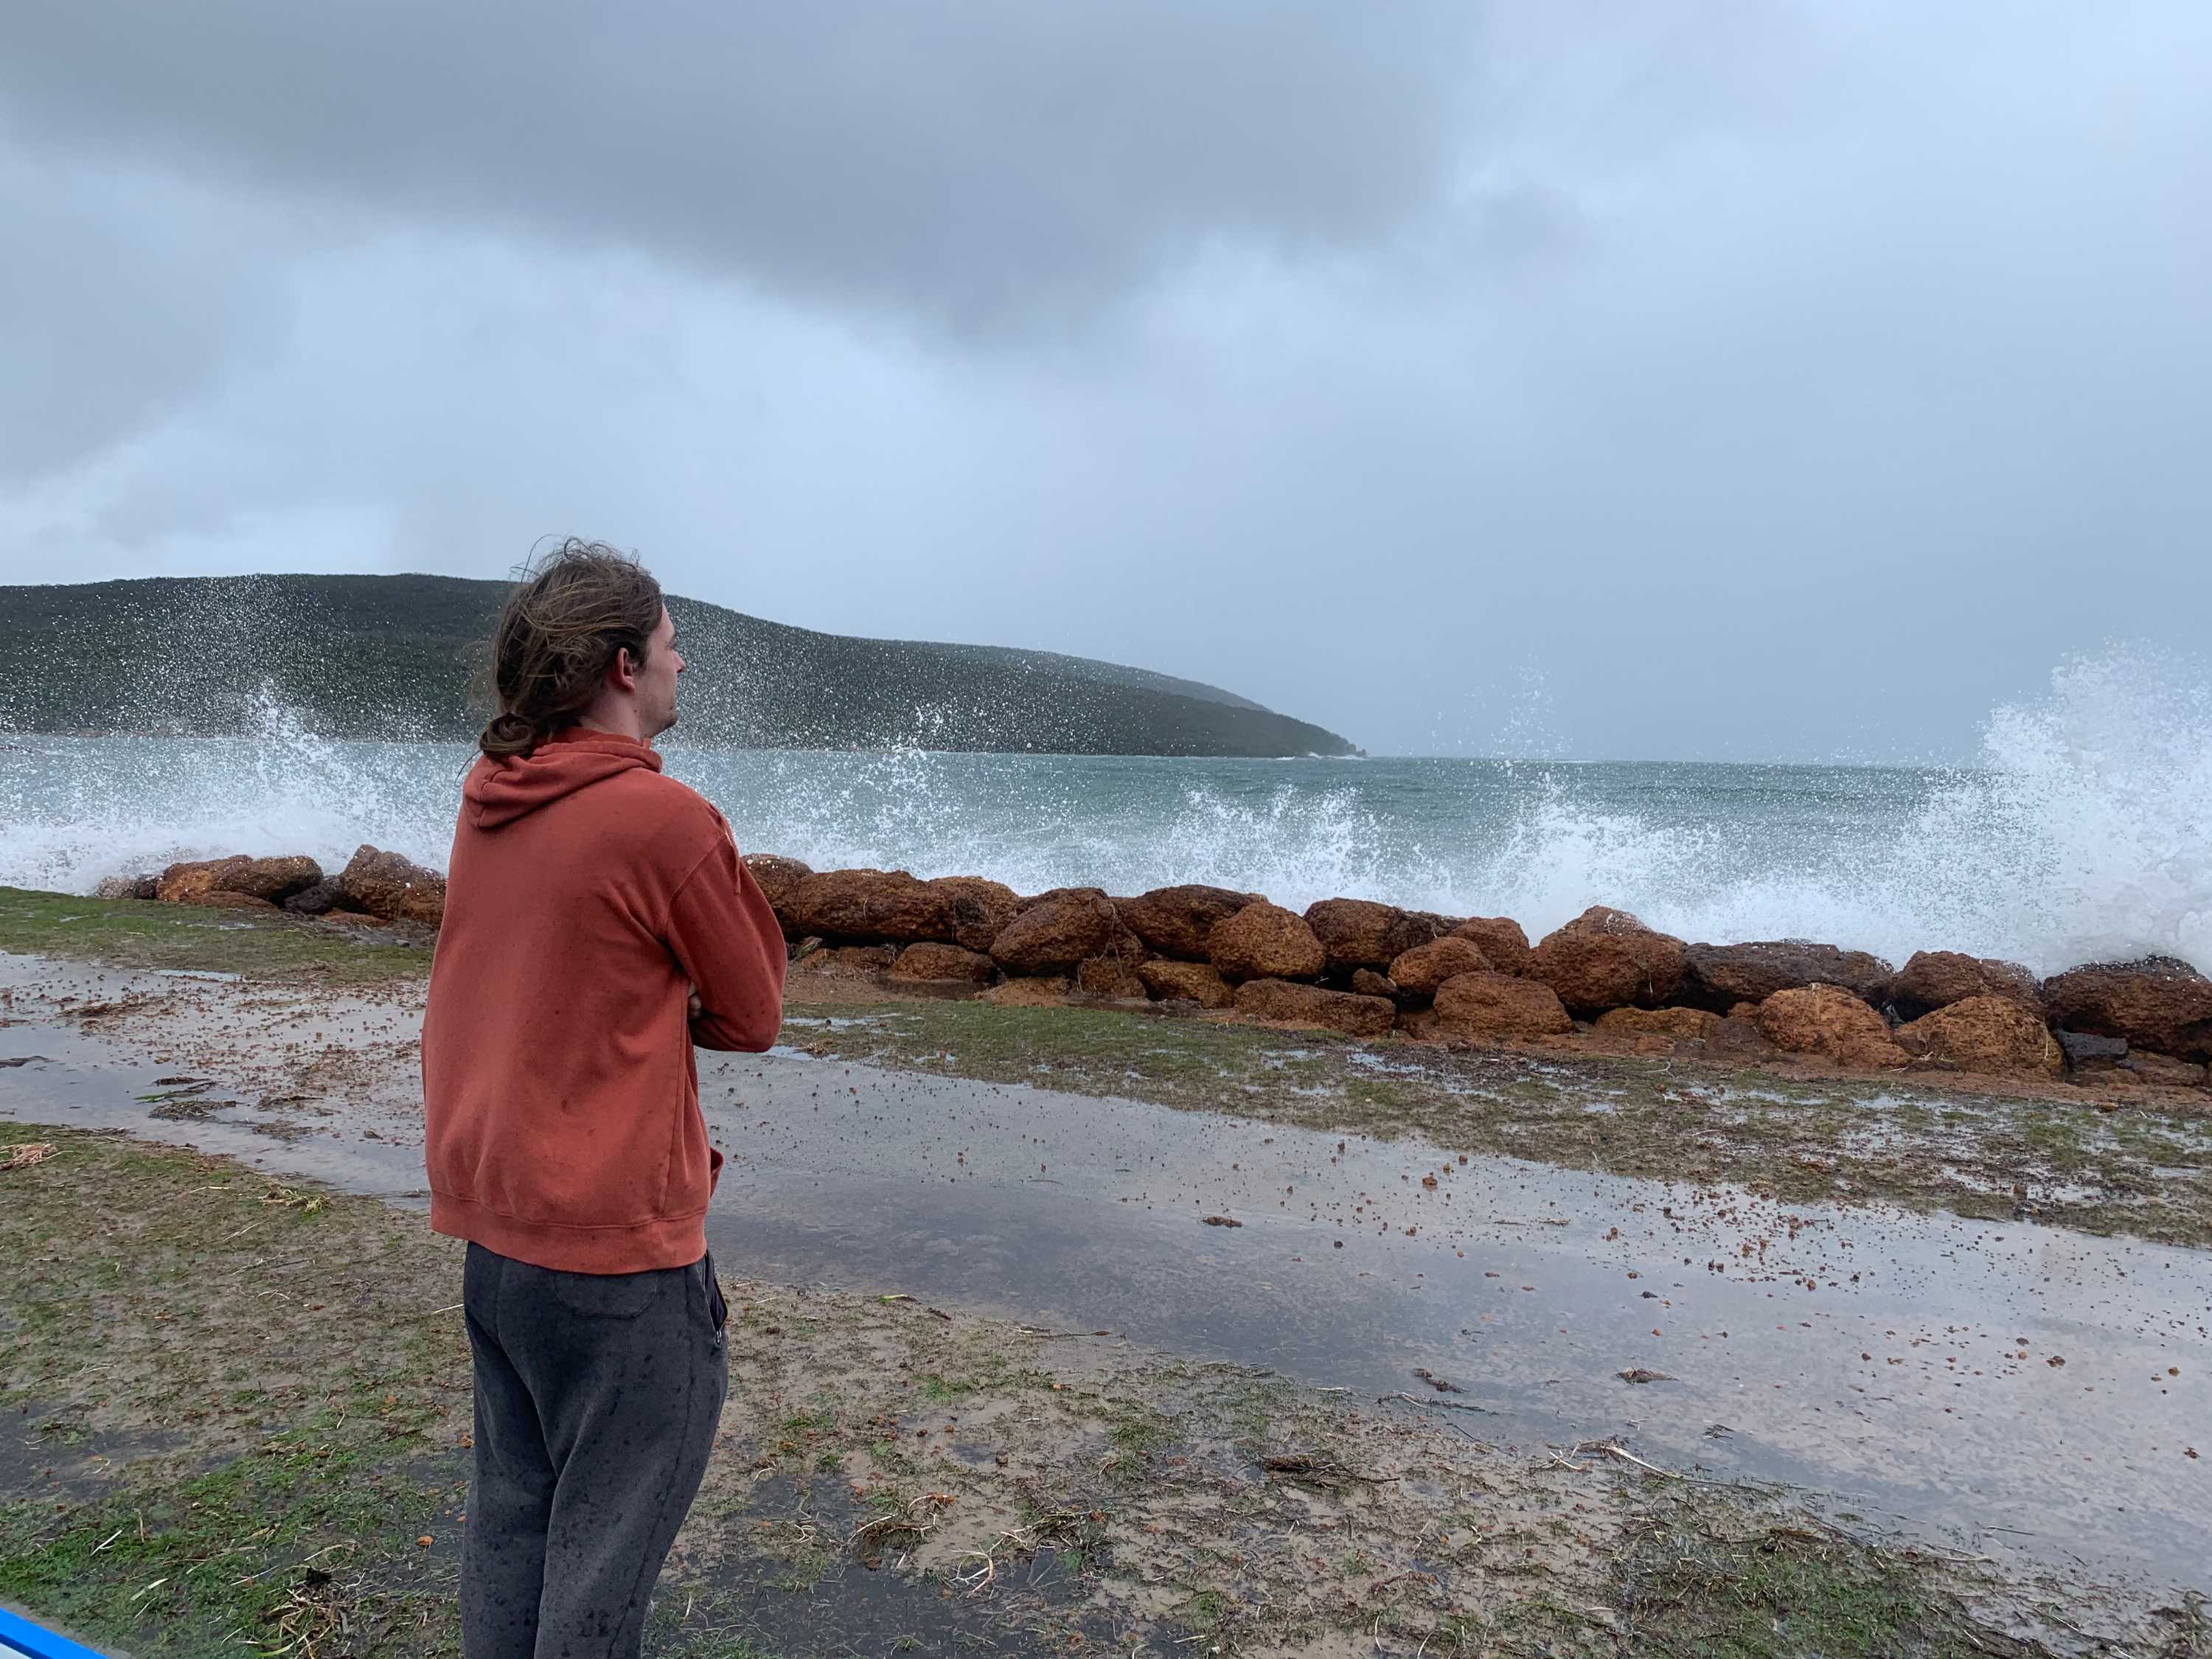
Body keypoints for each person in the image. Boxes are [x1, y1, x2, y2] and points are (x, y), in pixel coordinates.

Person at [421, 539, 787, 1658]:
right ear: (624, 665)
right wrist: (644, 1007)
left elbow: (526, 976)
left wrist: (610, 1002)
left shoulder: (491, 798)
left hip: (499, 1246)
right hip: (620, 1272)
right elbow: (753, 1010)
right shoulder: (662, 821)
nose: (686, 658)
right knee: (597, 1581)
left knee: (514, 1535)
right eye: (673, 641)